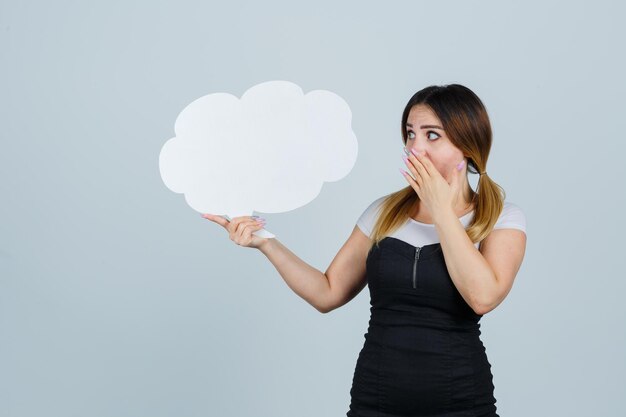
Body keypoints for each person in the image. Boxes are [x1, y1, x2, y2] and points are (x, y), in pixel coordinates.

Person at [202, 83, 527, 417]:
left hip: (462, 404)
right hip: (375, 401)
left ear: (468, 145)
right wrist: (265, 242)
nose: (415, 148)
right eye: (410, 134)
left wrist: (442, 210)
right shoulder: (383, 212)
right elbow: (327, 293)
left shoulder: (501, 218)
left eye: (432, 135)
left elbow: (482, 297)